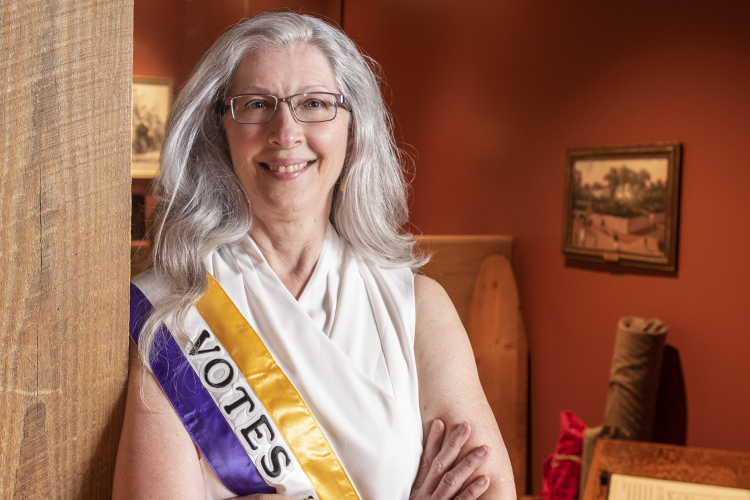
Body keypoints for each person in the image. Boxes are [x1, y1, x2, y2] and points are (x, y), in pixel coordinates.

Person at [113, 12, 513, 500]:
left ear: (354, 129)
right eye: (256, 104)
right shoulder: (173, 313)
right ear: (220, 133)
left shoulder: (418, 310)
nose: (286, 132)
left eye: (315, 104)